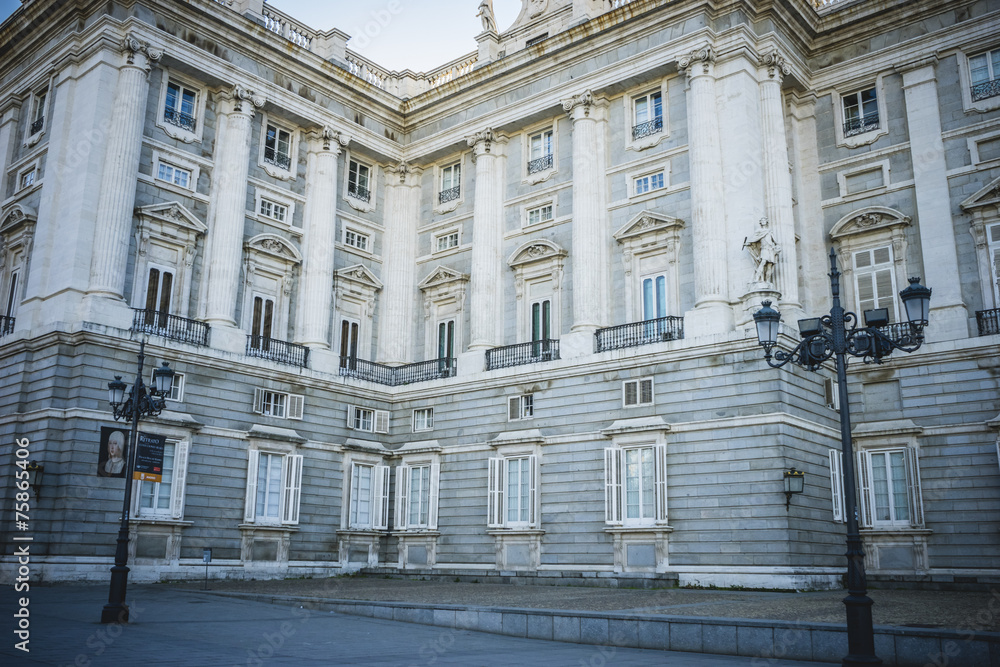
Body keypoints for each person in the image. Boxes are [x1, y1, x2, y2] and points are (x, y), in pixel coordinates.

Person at [744, 217, 780, 285]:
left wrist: (777, 248)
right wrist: (748, 243)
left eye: (764, 220)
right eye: (762, 220)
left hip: (770, 249)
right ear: (760, 222)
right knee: (763, 262)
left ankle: (767, 281)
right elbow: (754, 239)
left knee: (769, 265)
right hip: (764, 249)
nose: (763, 221)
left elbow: (775, 242)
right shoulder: (759, 231)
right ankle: (757, 278)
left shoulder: (769, 231)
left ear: (766, 222)